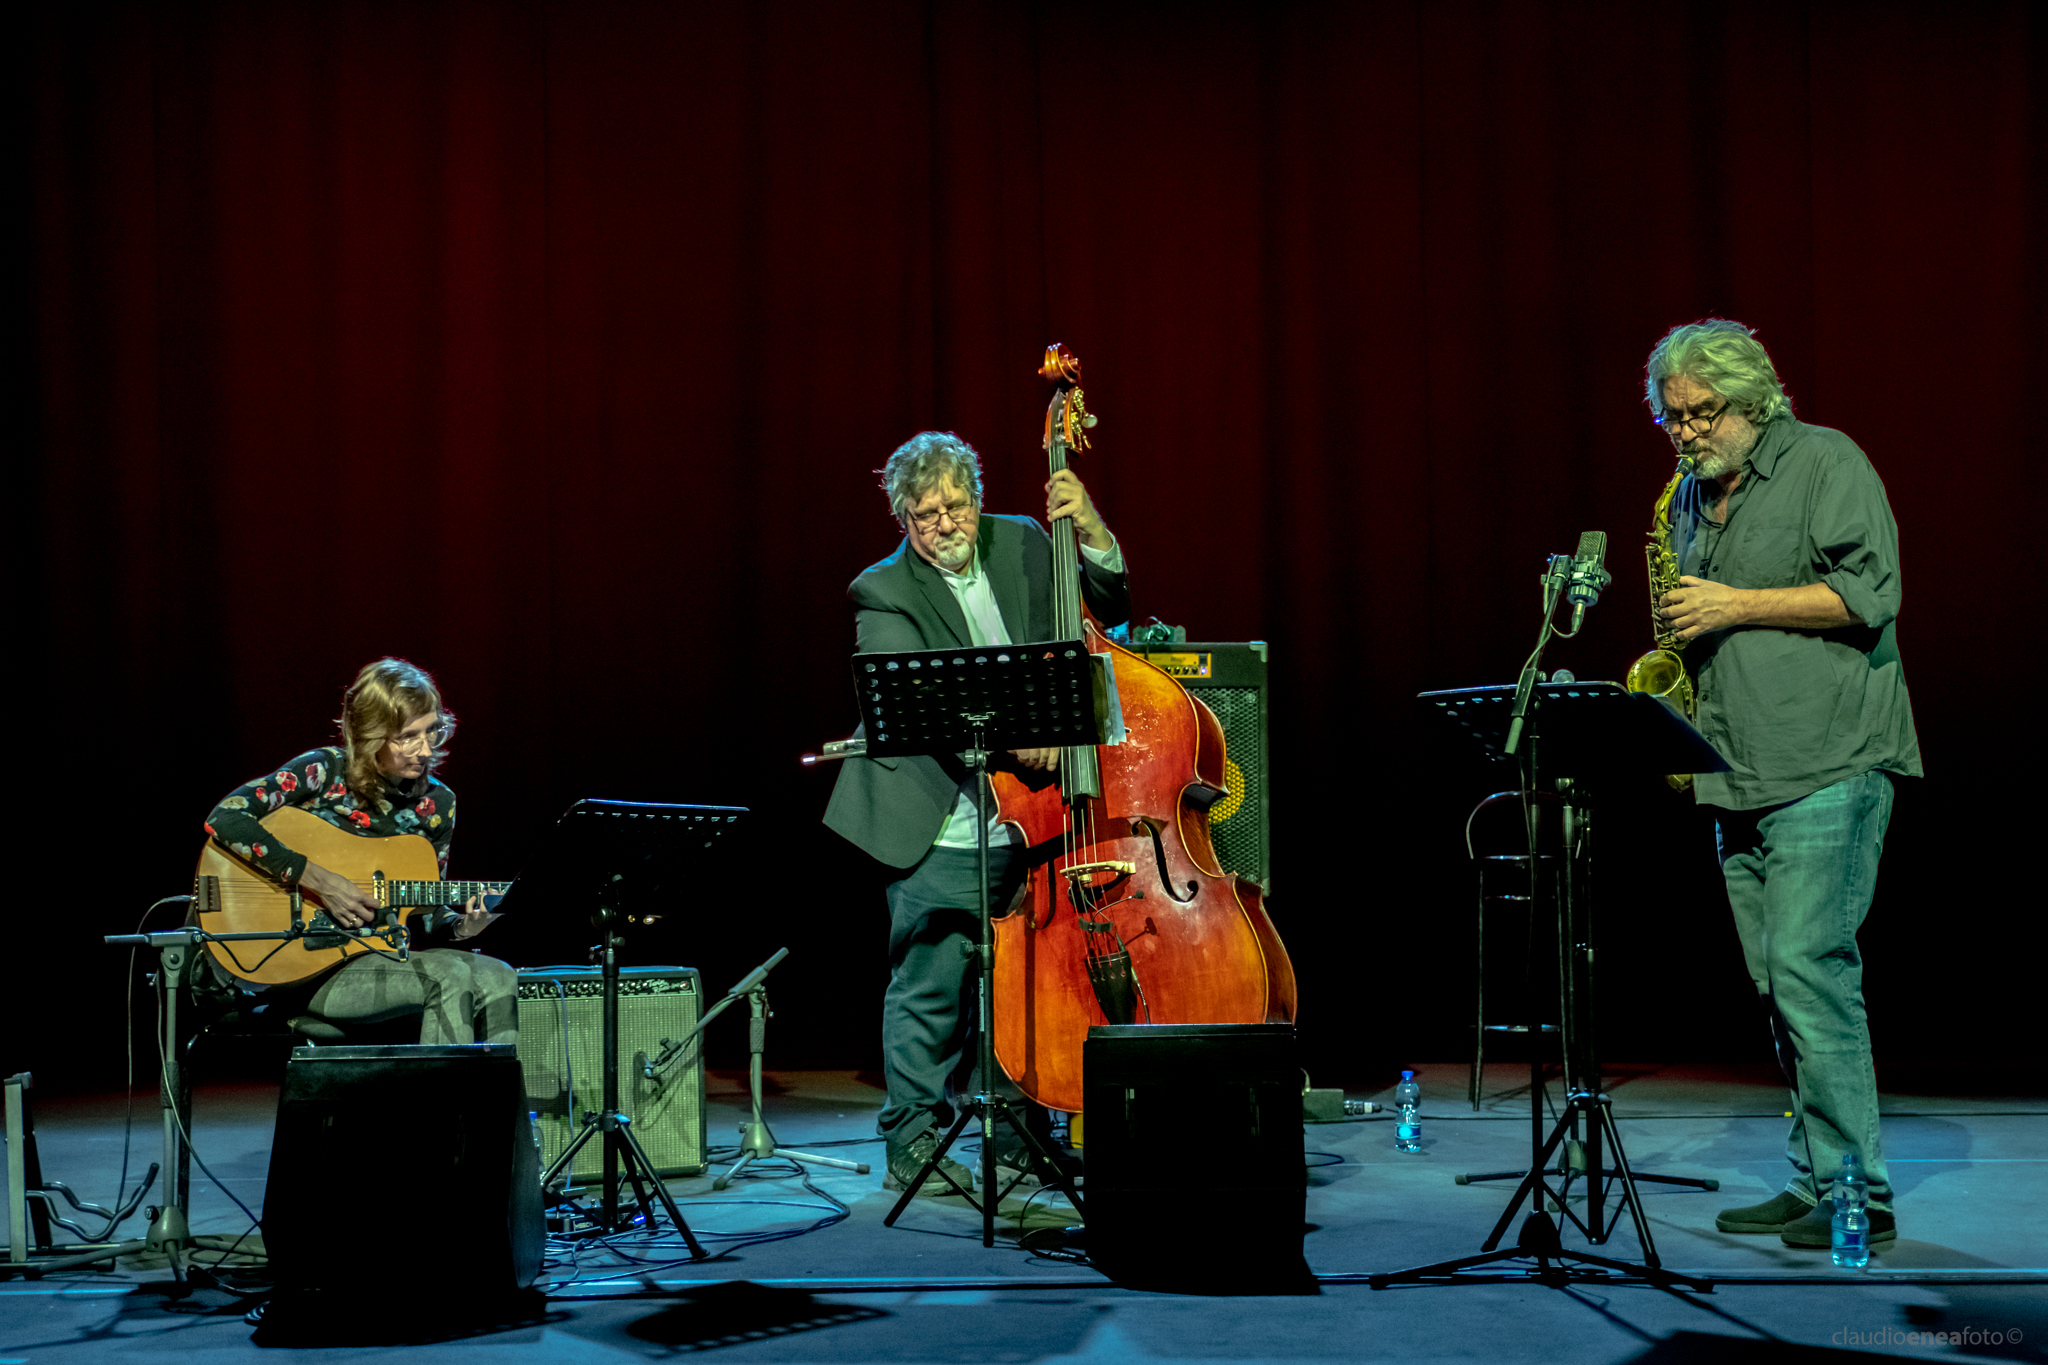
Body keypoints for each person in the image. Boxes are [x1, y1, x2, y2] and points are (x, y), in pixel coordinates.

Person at [1645, 319, 1920, 1250]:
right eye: (1672, 417)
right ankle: (1812, 1179)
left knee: (1811, 972)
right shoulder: (1688, 497)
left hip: (1829, 760)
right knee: (1776, 984)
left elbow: (1870, 593)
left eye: (1702, 413)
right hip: (1737, 769)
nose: (1686, 433)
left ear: (1756, 399)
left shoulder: (1826, 462)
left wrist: (1735, 604)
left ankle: (1857, 1194)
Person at [823, 430, 1130, 1193]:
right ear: (902, 518)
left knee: (1025, 982)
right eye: (922, 515)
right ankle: (915, 1142)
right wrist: (1029, 737)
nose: (942, 525)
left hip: (1037, 819)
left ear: (977, 498)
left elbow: (1111, 604)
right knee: (933, 982)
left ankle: (1016, 1130)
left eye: (953, 506)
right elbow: (921, 698)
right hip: (936, 812)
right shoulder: (882, 589)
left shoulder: (1026, 541)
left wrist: (1091, 529)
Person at [202, 657, 516, 1045]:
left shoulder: (438, 804)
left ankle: (494, 1107)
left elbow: (428, 913)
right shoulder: (323, 772)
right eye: (407, 736)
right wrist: (316, 878)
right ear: (371, 735)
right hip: (304, 963)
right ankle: (439, 1107)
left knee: (500, 974)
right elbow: (226, 818)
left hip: (383, 959)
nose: (424, 749)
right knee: (450, 975)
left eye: (432, 731)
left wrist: (465, 926)